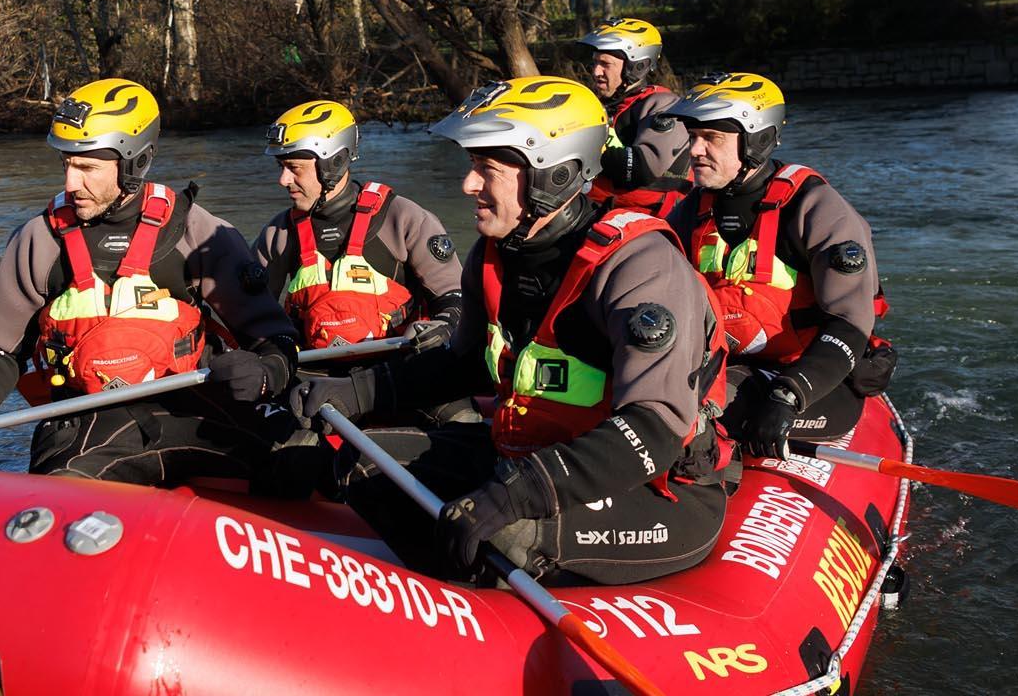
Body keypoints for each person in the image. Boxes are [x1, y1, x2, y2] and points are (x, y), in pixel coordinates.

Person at [291, 77, 732, 584]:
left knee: (506, 531)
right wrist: (357, 391)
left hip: (654, 490)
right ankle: (442, 592)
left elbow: (653, 431)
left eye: (487, 170)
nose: (468, 185)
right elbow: (461, 364)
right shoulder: (495, 253)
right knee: (365, 464)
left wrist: (517, 493)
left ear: (555, 174)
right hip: (532, 455)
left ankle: (484, 597)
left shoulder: (640, 265)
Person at [0, 78, 302, 487]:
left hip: (194, 409)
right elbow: (2, 354)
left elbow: (276, 339)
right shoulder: (38, 241)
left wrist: (265, 373)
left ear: (135, 162)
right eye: (67, 164)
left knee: (303, 467)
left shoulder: (197, 233)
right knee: (67, 483)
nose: (70, 183)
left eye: (87, 168)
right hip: (87, 425)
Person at [664, 72, 895, 461]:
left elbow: (850, 324)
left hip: (814, 382)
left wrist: (790, 394)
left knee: (696, 411)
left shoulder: (815, 209)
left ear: (756, 140)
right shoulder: (689, 212)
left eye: (711, 138)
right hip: (731, 367)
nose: (695, 150)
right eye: (692, 137)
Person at [253, 99, 463, 353]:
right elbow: (253, 311)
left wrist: (443, 326)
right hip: (313, 368)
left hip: (397, 364)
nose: (283, 179)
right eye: (281, 167)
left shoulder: (403, 217)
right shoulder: (279, 233)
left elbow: (454, 297)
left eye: (294, 168)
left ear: (334, 162)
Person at [579, 18, 692, 217]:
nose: (596, 72)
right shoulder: (601, 105)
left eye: (605, 64)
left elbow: (642, 168)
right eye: (595, 62)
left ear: (636, 66)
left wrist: (577, 147)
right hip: (599, 210)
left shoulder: (662, 105)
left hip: (649, 219)